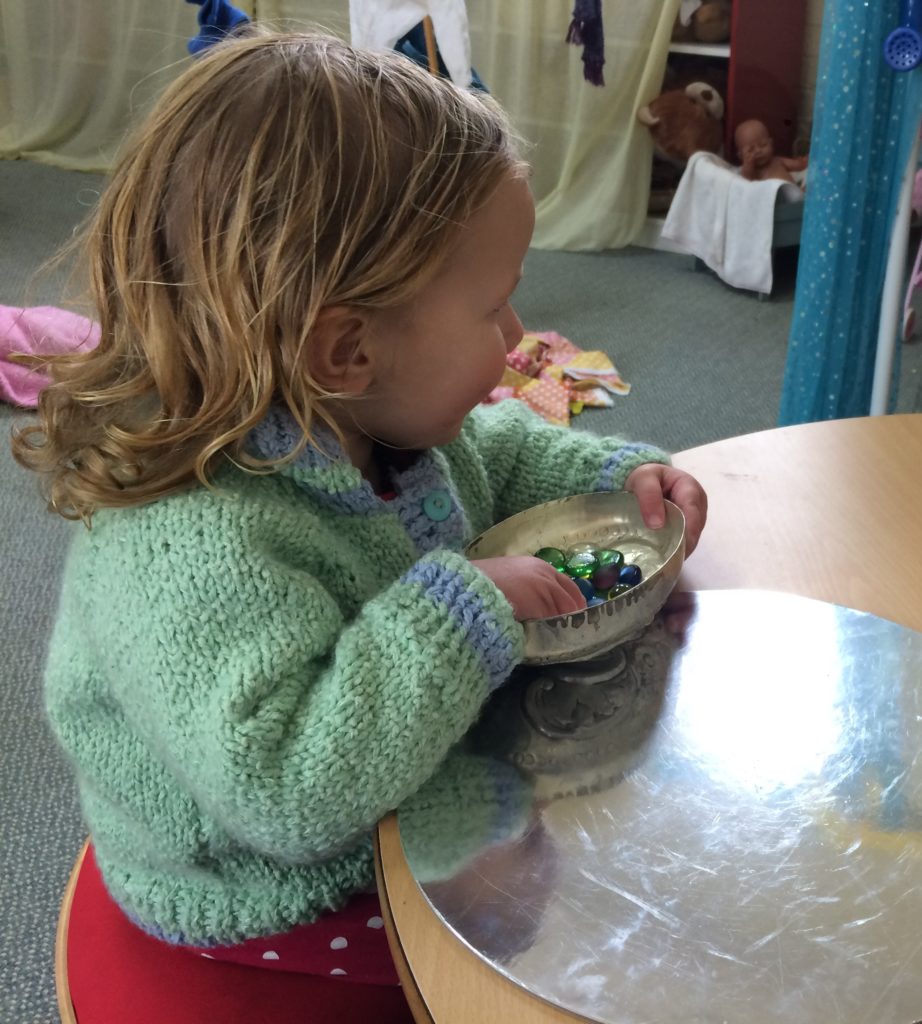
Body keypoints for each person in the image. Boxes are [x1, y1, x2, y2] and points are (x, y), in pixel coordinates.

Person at [12, 26, 707, 1010]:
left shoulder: (371, 414)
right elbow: (286, 789)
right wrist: (460, 611)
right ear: (345, 351)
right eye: (496, 310)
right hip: (271, 886)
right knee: (589, 911)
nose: (517, 342)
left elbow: (500, 451)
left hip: (376, 770)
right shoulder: (191, 541)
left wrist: (616, 479)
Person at [735, 118, 809, 185]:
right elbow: (745, 183)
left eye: (763, 145)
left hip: (792, 196)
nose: (758, 151)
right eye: (750, 150)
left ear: (771, 143)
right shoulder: (752, 172)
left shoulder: (778, 161)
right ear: (741, 156)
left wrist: (805, 160)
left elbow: (799, 166)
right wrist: (748, 166)